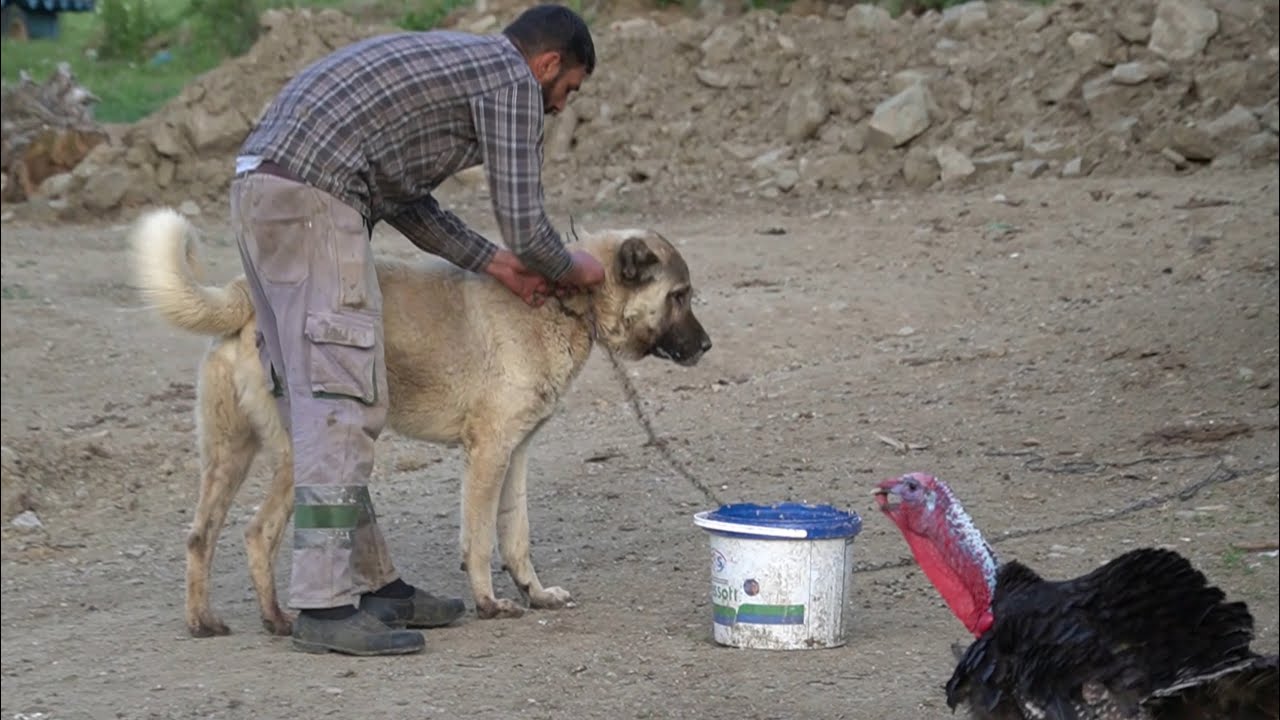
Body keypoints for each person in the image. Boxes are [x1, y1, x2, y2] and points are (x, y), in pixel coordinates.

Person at [228, 4, 606, 656]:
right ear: (546, 65)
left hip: (267, 191)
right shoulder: (511, 83)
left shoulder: (457, 68)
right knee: (341, 403)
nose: (561, 107)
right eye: (567, 90)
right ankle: (323, 604)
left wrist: (493, 263)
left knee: (328, 397)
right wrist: (574, 265)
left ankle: (375, 585)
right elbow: (524, 218)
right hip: (315, 201)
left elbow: (405, 200)